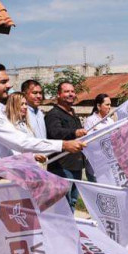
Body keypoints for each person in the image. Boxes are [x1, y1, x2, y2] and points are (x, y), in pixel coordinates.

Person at [0, 64, 85, 162]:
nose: (9, 85)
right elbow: (19, 141)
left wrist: (31, 156)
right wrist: (63, 145)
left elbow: (9, 149)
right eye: (3, 82)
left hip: (7, 175)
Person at [45, 82, 87, 210]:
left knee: (72, 202)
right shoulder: (53, 114)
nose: (70, 94)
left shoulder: (73, 114)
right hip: (61, 167)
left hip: (76, 166)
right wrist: (75, 132)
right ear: (59, 94)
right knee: (62, 205)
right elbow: (55, 132)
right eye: (66, 91)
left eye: (72, 91)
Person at [83, 93, 115, 183]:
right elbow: (88, 142)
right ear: (98, 106)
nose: (109, 107)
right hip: (95, 165)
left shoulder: (110, 121)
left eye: (110, 105)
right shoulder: (90, 121)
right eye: (107, 104)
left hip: (109, 164)